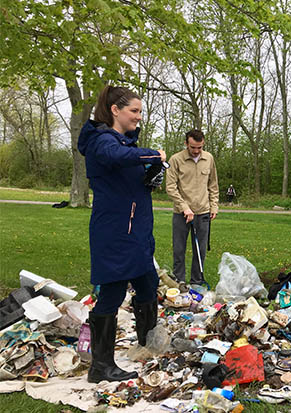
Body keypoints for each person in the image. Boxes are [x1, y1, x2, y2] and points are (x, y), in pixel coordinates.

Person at [77, 85, 165, 383]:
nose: (138, 117)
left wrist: (152, 175)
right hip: (114, 231)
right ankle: (101, 366)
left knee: (148, 282)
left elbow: (132, 177)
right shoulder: (101, 141)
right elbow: (114, 157)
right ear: (115, 110)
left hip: (137, 231)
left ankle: (146, 345)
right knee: (112, 293)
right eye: (134, 111)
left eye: (140, 112)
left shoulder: (126, 144)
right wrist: (154, 154)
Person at [166, 130, 219, 287]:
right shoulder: (176, 160)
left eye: (199, 147)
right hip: (181, 213)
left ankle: (196, 282)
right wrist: (184, 208)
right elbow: (170, 187)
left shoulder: (208, 158)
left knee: (200, 251)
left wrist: (214, 205)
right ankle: (179, 282)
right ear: (186, 144)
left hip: (203, 212)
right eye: (193, 147)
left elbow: (213, 185)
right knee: (179, 250)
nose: (196, 151)